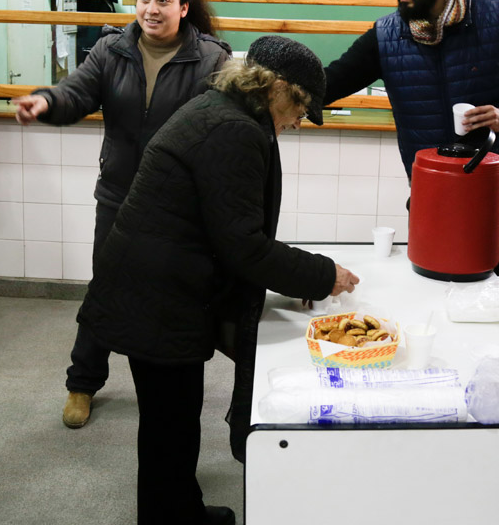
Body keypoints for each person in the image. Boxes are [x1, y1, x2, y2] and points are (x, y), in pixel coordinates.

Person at [77, 35, 360, 525]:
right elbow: (243, 245)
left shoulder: (221, 109)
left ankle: (180, 510)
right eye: (300, 107)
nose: (297, 121)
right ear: (276, 89)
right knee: (171, 425)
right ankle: (172, 517)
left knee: (174, 420)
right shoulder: (235, 131)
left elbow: (230, 232)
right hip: (157, 295)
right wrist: (320, 275)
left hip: (155, 285)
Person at [11, 0, 230, 429]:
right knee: (107, 290)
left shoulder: (211, 58)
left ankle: (173, 388)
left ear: (184, 7)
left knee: (175, 292)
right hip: (119, 195)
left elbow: (224, 123)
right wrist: (46, 101)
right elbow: (77, 92)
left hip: (179, 204)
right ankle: (82, 383)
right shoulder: (111, 50)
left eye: (163, 1)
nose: (151, 10)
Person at [322, 0, 499, 322]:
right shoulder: (387, 35)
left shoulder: (497, 19)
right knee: (433, 292)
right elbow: (330, 81)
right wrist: (271, 92)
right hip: (433, 192)